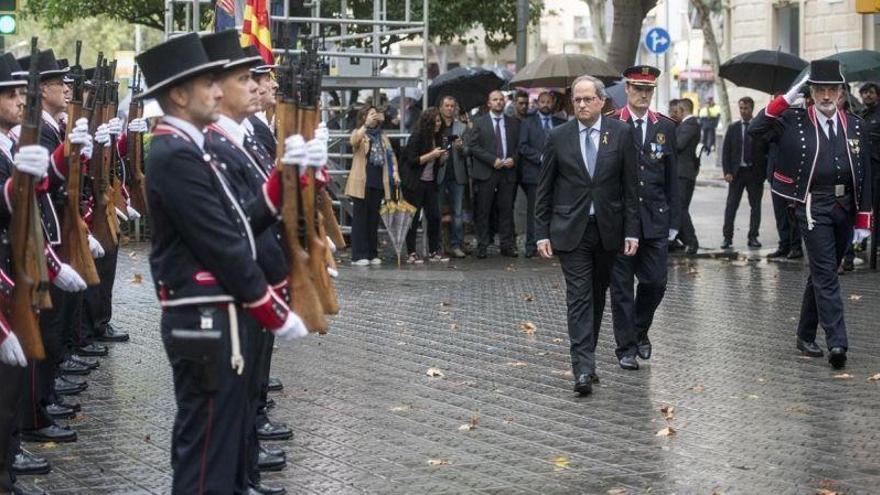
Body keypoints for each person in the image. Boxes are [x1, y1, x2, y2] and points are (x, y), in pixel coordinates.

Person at [136, 32, 308, 493]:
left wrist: (283, 178)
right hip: (204, 316)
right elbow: (222, 245)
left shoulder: (189, 146)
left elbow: (240, 220)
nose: (219, 91)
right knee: (207, 453)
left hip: (217, 316)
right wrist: (271, 309)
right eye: (209, 83)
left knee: (225, 443)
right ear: (178, 93)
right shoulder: (174, 153)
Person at [200, 29, 293, 495]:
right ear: (216, 88)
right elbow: (240, 221)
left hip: (254, 279)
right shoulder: (211, 145)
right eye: (245, 79)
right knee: (227, 404)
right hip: (230, 292)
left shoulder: (239, 137)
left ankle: (246, 473)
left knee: (247, 390)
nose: (257, 86)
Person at [750, 60, 871, 369]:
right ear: (812, 92)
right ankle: (837, 342)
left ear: (842, 93)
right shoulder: (794, 119)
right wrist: (789, 96)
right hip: (812, 206)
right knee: (828, 274)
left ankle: (804, 334)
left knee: (821, 271)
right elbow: (757, 128)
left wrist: (864, 221)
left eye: (832, 89)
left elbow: (866, 173)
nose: (827, 96)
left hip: (846, 205)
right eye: (820, 90)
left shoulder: (856, 124)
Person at [535, 75, 639, 396]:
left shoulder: (621, 134)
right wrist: (541, 233)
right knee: (579, 297)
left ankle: (587, 355)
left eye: (587, 99)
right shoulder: (558, 136)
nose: (580, 104)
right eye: (576, 99)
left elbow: (631, 188)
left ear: (601, 101)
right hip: (571, 232)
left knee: (596, 295)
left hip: (608, 231)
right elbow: (545, 189)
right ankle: (582, 368)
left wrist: (633, 231)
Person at [608, 65, 679, 370]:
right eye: (637, 88)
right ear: (627, 89)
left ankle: (639, 330)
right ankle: (625, 347)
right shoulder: (610, 124)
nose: (643, 94)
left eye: (648, 89)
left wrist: (675, 222)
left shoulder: (665, 126)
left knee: (655, 282)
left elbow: (672, 178)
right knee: (622, 287)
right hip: (621, 220)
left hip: (654, 218)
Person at [345, 105, 399, 265]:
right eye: (371, 114)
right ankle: (358, 255)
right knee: (360, 219)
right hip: (361, 181)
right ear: (364, 117)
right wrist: (365, 126)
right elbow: (353, 141)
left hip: (378, 181)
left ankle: (371, 253)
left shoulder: (382, 135)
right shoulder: (359, 132)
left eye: (376, 114)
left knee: (373, 219)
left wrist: (395, 171)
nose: (374, 116)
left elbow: (390, 155)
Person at [470, 90, 520, 258]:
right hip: (487, 172)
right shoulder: (479, 122)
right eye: (495, 100)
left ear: (504, 102)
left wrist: (514, 158)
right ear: (489, 103)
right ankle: (483, 245)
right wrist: (492, 160)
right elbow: (473, 146)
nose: (498, 102)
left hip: (507, 172)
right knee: (484, 210)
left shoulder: (513, 122)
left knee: (506, 210)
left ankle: (507, 245)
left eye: (501, 99)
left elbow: (521, 146)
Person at [518, 91, 564, 258]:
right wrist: (540, 157)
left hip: (558, 176)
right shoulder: (527, 123)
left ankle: (554, 245)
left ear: (553, 104)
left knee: (555, 210)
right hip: (534, 174)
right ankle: (532, 246)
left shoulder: (561, 122)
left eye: (549, 102)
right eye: (542, 101)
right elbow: (522, 146)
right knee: (535, 211)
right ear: (537, 103)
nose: (545, 104)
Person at [401, 108, 448, 263]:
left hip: (430, 182)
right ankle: (411, 252)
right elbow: (412, 160)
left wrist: (441, 159)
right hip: (414, 183)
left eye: (439, 121)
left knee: (434, 216)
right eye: (435, 121)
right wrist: (432, 155)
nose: (438, 124)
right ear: (428, 122)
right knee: (412, 218)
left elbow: (436, 164)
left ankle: (434, 250)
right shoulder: (417, 136)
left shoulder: (439, 138)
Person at [721, 97, 764, 249]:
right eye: (741, 108)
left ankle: (753, 237)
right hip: (736, 173)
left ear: (752, 109)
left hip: (754, 174)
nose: (743, 111)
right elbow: (726, 152)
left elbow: (764, 151)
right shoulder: (733, 128)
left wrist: (763, 174)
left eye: (746, 108)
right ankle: (727, 238)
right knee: (731, 206)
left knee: (756, 207)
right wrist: (727, 171)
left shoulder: (759, 127)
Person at [437, 96, 469, 258]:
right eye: (446, 106)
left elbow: (469, 151)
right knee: (437, 211)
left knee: (457, 212)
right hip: (439, 173)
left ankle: (456, 244)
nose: (449, 108)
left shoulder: (462, 127)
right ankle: (438, 245)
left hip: (457, 175)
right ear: (441, 108)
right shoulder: (436, 126)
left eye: (452, 106)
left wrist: (462, 148)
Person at [674, 98, 701, 255]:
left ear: (682, 109)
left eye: (677, 110)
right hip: (682, 172)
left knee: (681, 208)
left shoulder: (689, 125)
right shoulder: (686, 125)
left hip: (683, 173)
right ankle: (680, 239)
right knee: (678, 208)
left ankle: (691, 242)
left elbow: (678, 144)